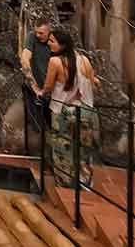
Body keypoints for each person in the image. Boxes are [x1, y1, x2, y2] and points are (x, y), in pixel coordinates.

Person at [36, 27, 99, 188]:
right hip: (85, 110)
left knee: (63, 147)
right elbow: (94, 82)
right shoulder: (84, 60)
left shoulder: (55, 61)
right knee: (83, 148)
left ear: (62, 45)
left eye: (52, 41)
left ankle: (65, 184)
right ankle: (85, 182)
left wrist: (41, 92)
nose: (49, 44)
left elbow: (48, 87)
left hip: (63, 110)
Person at [20, 21, 54, 147]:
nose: (38, 35)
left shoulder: (54, 41)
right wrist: (34, 86)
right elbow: (25, 59)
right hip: (37, 88)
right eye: (36, 32)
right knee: (39, 124)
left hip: (52, 91)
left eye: (41, 33)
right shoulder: (32, 37)